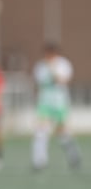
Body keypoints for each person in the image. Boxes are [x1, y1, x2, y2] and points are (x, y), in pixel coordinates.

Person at [31, 43, 81, 171]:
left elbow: (62, 80)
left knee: (63, 133)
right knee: (41, 132)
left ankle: (73, 156)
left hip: (60, 103)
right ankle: (39, 161)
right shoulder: (40, 66)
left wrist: (53, 69)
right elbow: (40, 82)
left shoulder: (63, 64)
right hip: (45, 103)